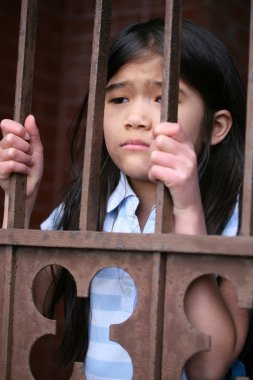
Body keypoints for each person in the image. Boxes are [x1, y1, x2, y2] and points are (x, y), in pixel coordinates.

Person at [0, 18, 250, 380]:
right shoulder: (85, 206)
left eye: (164, 98)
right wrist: (17, 206)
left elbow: (208, 366)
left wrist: (187, 210)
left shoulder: (235, 216)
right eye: (118, 98)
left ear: (216, 128)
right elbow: (17, 312)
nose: (135, 118)